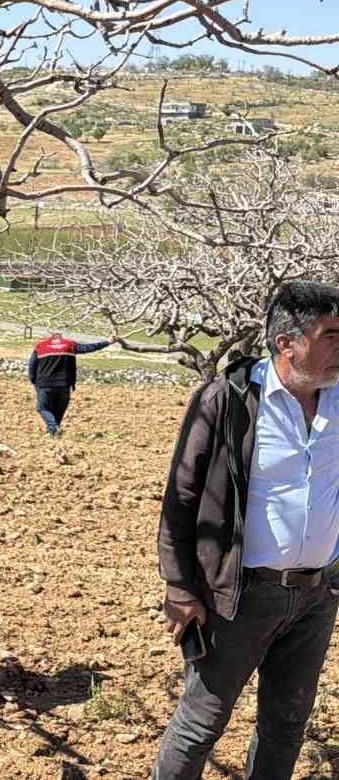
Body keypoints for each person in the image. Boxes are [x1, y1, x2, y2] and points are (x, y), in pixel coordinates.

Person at [153, 281, 339, 780]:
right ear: (286, 343)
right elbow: (181, 497)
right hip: (237, 596)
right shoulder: (229, 400)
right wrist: (179, 587)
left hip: (317, 596)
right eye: (330, 335)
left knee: (286, 725)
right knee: (201, 724)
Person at [27, 330, 116, 435]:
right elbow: (88, 348)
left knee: (42, 408)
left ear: (51, 337)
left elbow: (32, 365)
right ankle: (54, 431)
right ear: (61, 337)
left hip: (45, 384)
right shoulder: (70, 344)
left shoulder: (40, 346)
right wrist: (107, 342)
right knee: (59, 410)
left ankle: (53, 428)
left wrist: (33, 380)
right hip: (64, 384)